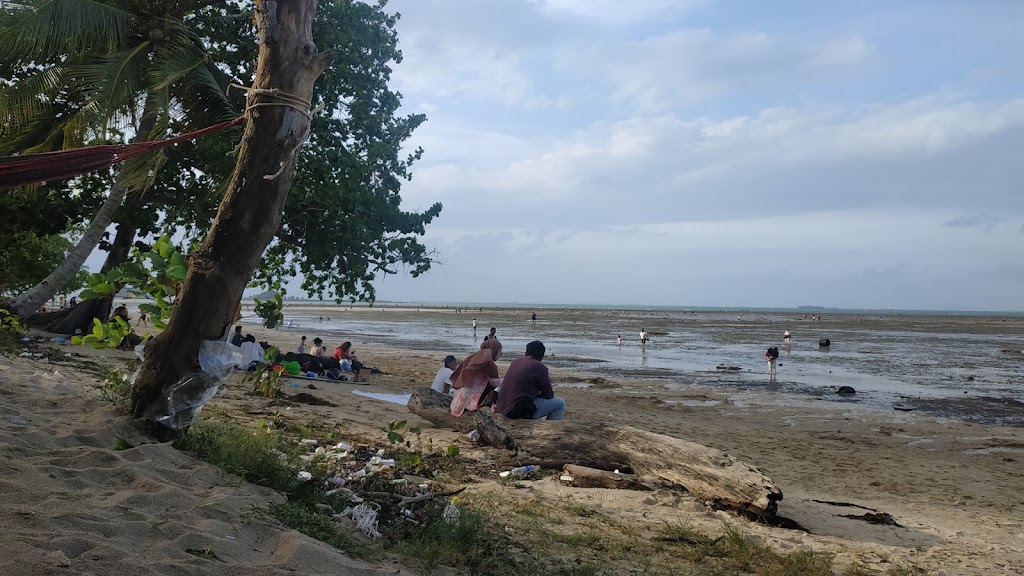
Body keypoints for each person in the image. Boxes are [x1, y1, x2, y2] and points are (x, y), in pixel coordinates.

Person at [495, 340, 565, 420]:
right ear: (542, 356)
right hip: (517, 409)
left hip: (503, 407)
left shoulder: (515, 362)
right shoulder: (539, 367)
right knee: (560, 403)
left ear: (526, 353)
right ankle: (552, 429)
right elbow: (549, 395)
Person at [450, 339, 502, 417]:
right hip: (472, 402)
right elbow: (495, 382)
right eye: (500, 351)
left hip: (460, 401)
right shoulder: (487, 362)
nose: (501, 354)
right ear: (494, 351)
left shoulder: (474, 357)